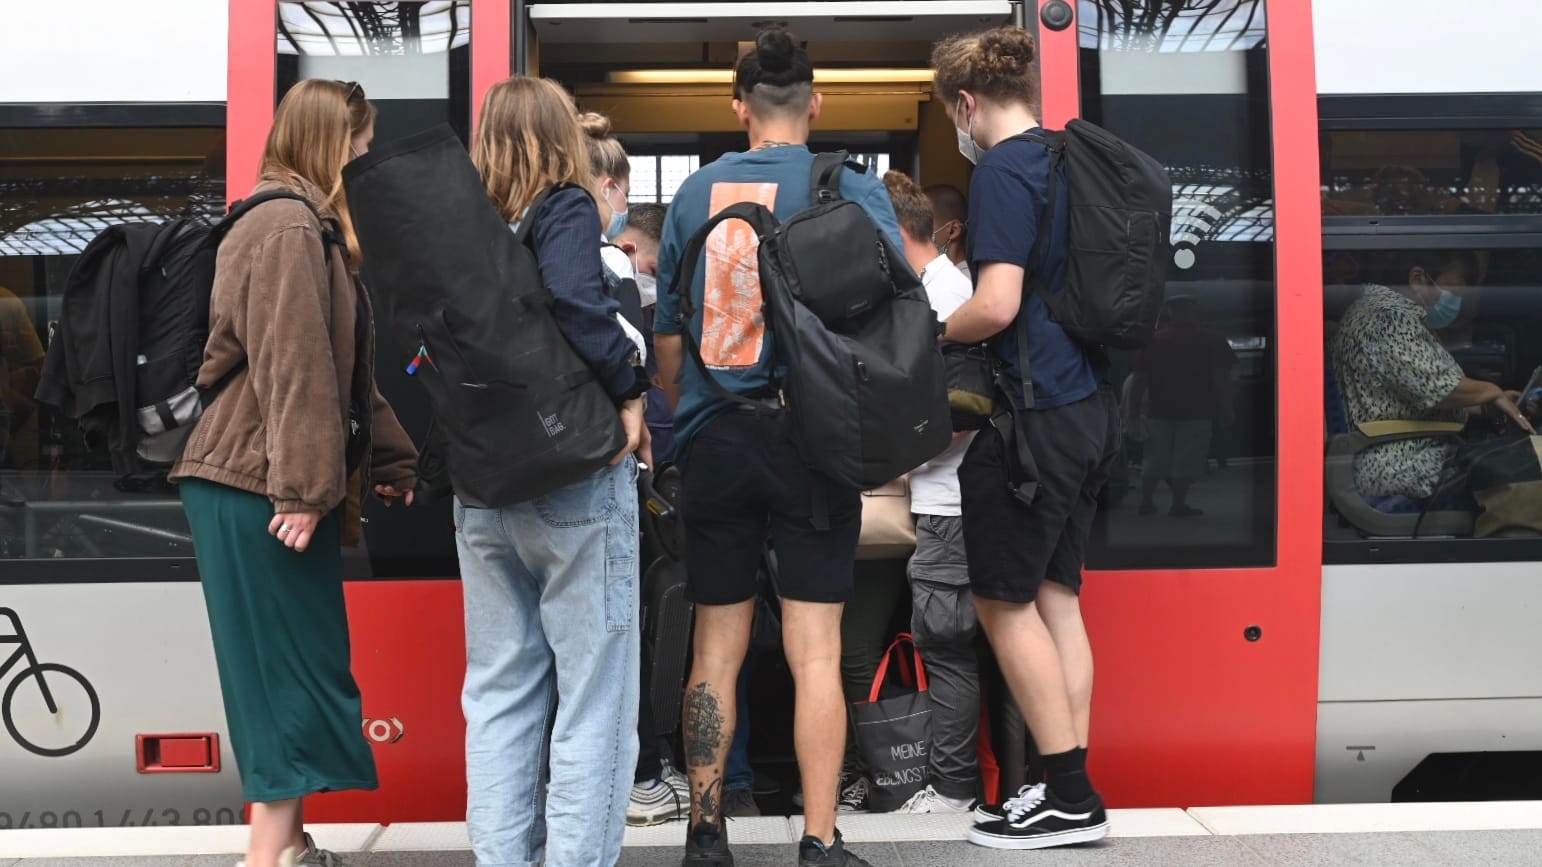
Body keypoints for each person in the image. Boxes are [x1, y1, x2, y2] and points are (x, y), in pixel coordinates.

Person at [653, 27, 901, 867]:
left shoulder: (694, 194)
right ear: (815, 104)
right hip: (814, 440)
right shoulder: (853, 189)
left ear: (738, 108)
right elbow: (896, 316)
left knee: (714, 644)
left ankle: (705, 831)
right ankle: (820, 839)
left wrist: (701, 407)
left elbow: (669, 348)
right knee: (816, 647)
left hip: (717, 440)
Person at [169, 79, 420, 867]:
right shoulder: (285, 226)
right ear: (330, 141)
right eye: (361, 142)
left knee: (294, 663)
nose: (367, 156)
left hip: (259, 476)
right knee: (283, 669)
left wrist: (391, 455)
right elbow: (295, 366)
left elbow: (342, 370)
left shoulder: (301, 224)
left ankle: (284, 841)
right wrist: (307, 490)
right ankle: (268, 857)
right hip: (258, 481)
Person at [933, 26, 1117, 850]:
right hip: (1088, 410)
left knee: (1001, 601)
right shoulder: (1066, 161)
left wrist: (939, 330)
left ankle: (1067, 792)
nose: (959, 133)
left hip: (1034, 415)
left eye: (953, 118)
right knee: (1057, 598)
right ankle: (1057, 782)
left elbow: (997, 303)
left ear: (966, 103)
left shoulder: (1004, 168)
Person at [465, 76, 651, 867]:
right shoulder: (565, 204)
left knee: (500, 695)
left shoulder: (463, 225)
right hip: (573, 481)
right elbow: (578, 303)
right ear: (559, 138)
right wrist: (631, 390)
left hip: (483, 489)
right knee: (593, 700)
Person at [883, 170, 983, 814]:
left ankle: (952, 791)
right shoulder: (937, 290)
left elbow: (958, 414)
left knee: (945, 648)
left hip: (949, 502)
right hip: (938, 499)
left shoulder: (945, 302)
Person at [1332, 251, 1533, 500]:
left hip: (1401, 452)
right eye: (1455, 289)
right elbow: (1438, 387)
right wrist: (1491, 391)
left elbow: (1412, 395)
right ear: (1418, 279)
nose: (1457, 301)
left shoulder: (1379, 310)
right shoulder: (1389, 318)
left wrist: (1488, 406)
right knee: (1528, 467)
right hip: (1401, 463)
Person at [1126, 295, 1237, 517]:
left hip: (1158, 411)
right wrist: (1227, 409)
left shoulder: (1153, 340)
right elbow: (1221, 378)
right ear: (1195, 312)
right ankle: (1178, 504)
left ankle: (1147, 502)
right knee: (1186, 459)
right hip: (1197, 411)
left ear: (1169, 313)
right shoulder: (1212, 340)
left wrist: (1132, 413)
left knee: (1154, 458)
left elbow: (1138, 380)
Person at [924, 183, 970, 280]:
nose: (917, 232)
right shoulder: (937, 276)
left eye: (924, 225)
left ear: (952, 230)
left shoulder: (963, 281)